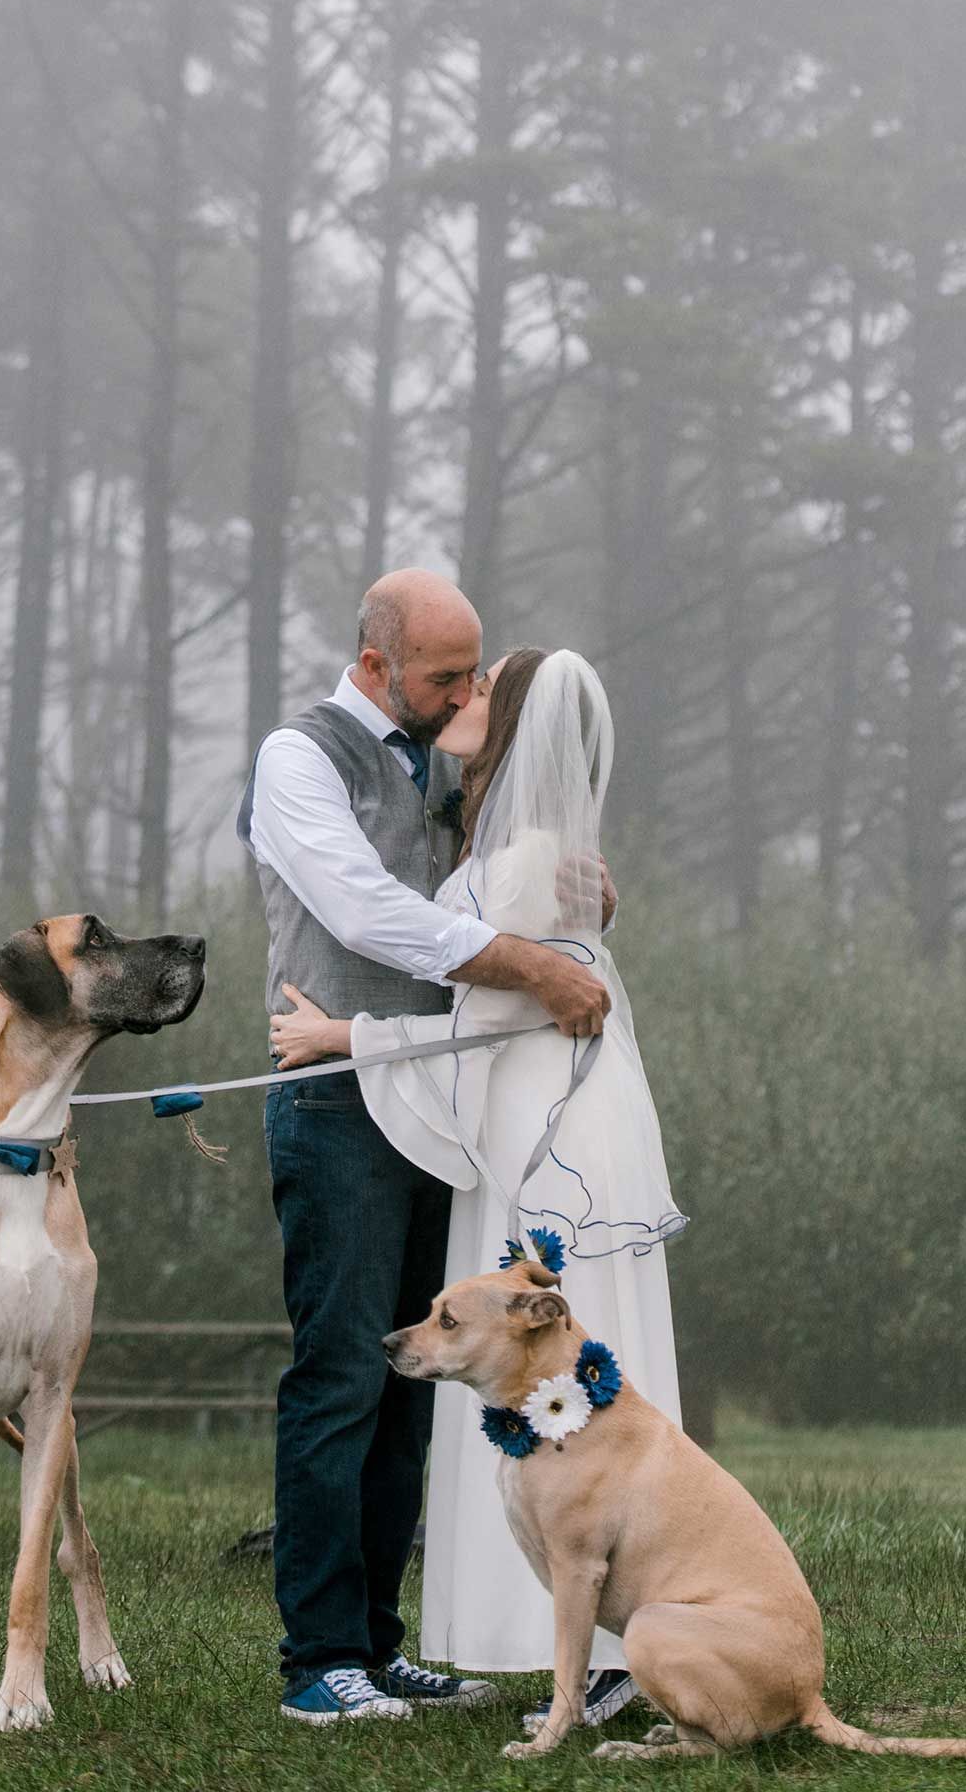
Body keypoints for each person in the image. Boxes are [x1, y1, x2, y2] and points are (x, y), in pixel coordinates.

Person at [271, 646, 685, 1734]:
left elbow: (485, 1016)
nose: (466, 698)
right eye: (453, 675)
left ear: (515, 724)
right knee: (532, 1372)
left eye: (484, 685)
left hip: (541, 1130)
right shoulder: (519, 842)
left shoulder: (525, 854)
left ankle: (607, 1649)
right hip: (530, 1122)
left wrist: (339, 1032)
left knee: (558, 1374)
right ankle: (578, 1641)